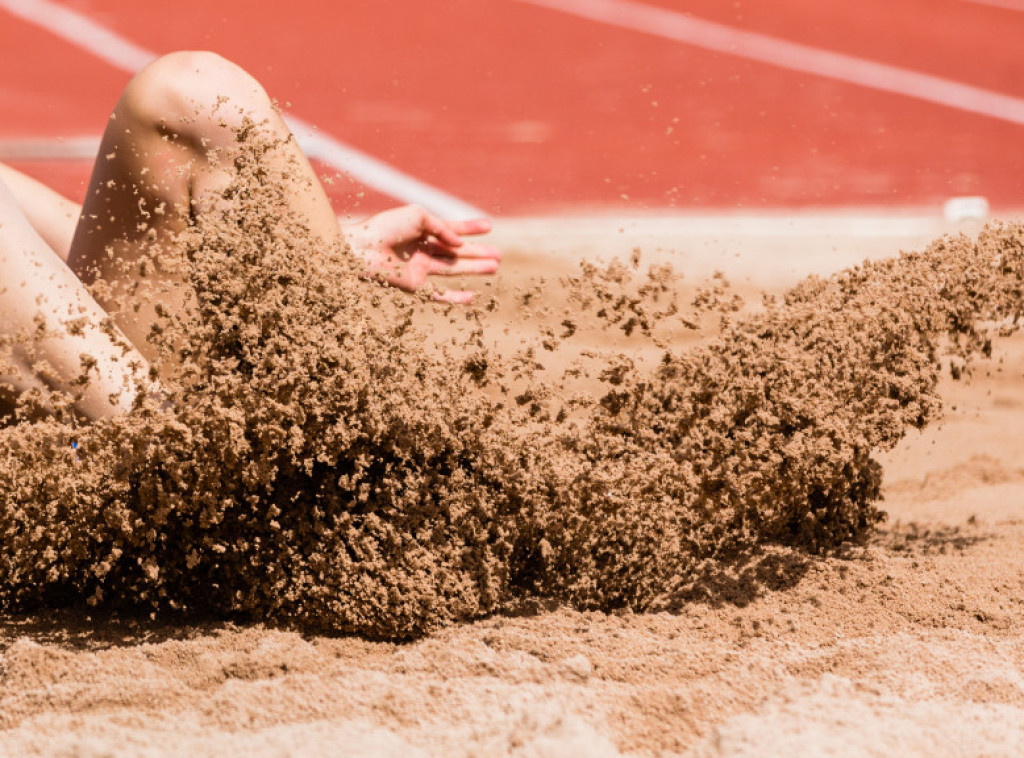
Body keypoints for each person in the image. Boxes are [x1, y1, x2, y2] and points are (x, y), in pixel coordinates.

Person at [0, 51, 502, 422]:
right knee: (156, 460)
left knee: (193, 94)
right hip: (57, 482)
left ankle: (343, 464)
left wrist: (303, 255)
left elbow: (43, 251)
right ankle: (159, 472)